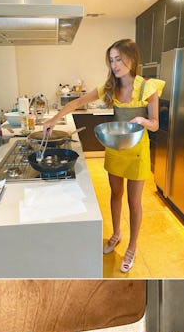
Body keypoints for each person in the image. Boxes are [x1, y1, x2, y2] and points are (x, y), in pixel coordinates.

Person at [43, 39, 164, 273]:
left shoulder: (147, 88)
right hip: (115, 148)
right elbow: (79, 101)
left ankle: (132, 246)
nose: (114, 65)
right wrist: (54, 119)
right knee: (115, 194)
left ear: (132, 59)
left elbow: (155, 124)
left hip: (138, 151)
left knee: (134, 202)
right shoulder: (110, 87)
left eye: (119, 59)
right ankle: (116, 234)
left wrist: (142, 120)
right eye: (111, 60)